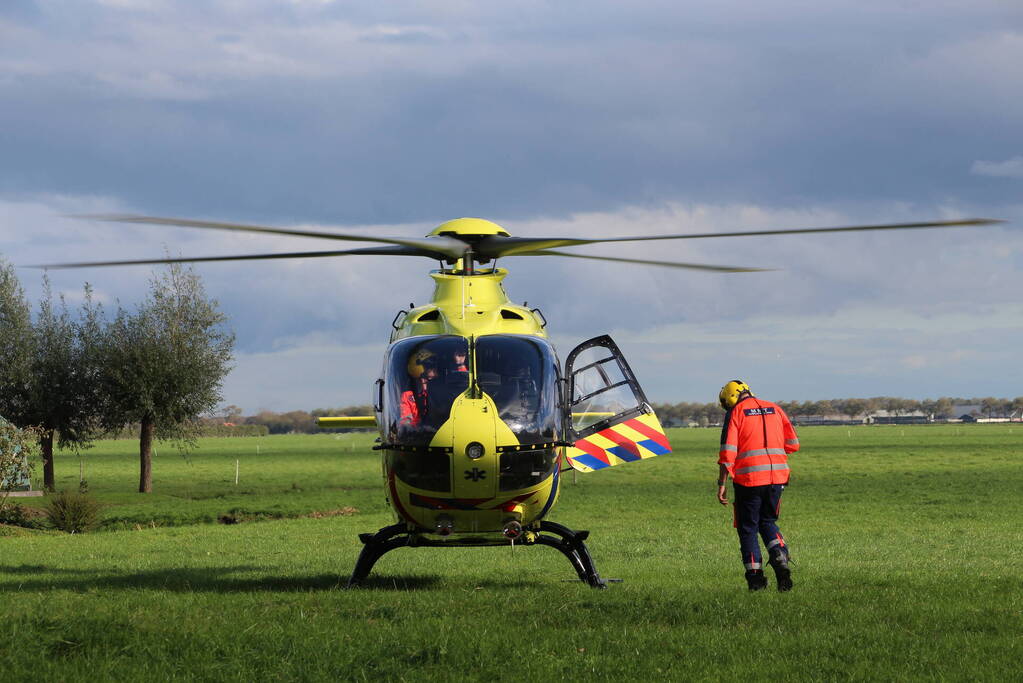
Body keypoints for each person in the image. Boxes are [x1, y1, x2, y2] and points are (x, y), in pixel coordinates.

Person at [716, 380, 800, 592]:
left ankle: (755, 579)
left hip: (749, 479)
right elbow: (793, 444)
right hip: (778, 478)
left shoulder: (736, 413)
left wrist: (722, 483)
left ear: (731, 399)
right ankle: (780, 554)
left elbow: (728, 452)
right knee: (768, 521)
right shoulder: (776, 408)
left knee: (748, 528)